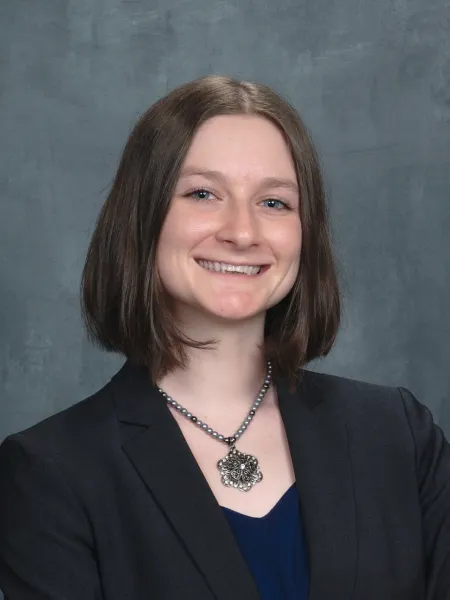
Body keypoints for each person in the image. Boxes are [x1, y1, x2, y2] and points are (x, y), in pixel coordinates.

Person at [0, 74, 449, 600]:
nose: (242, 231)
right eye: (203, 193)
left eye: (275, 202)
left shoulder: (398, 435)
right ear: (143, 219)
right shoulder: (51, 473)